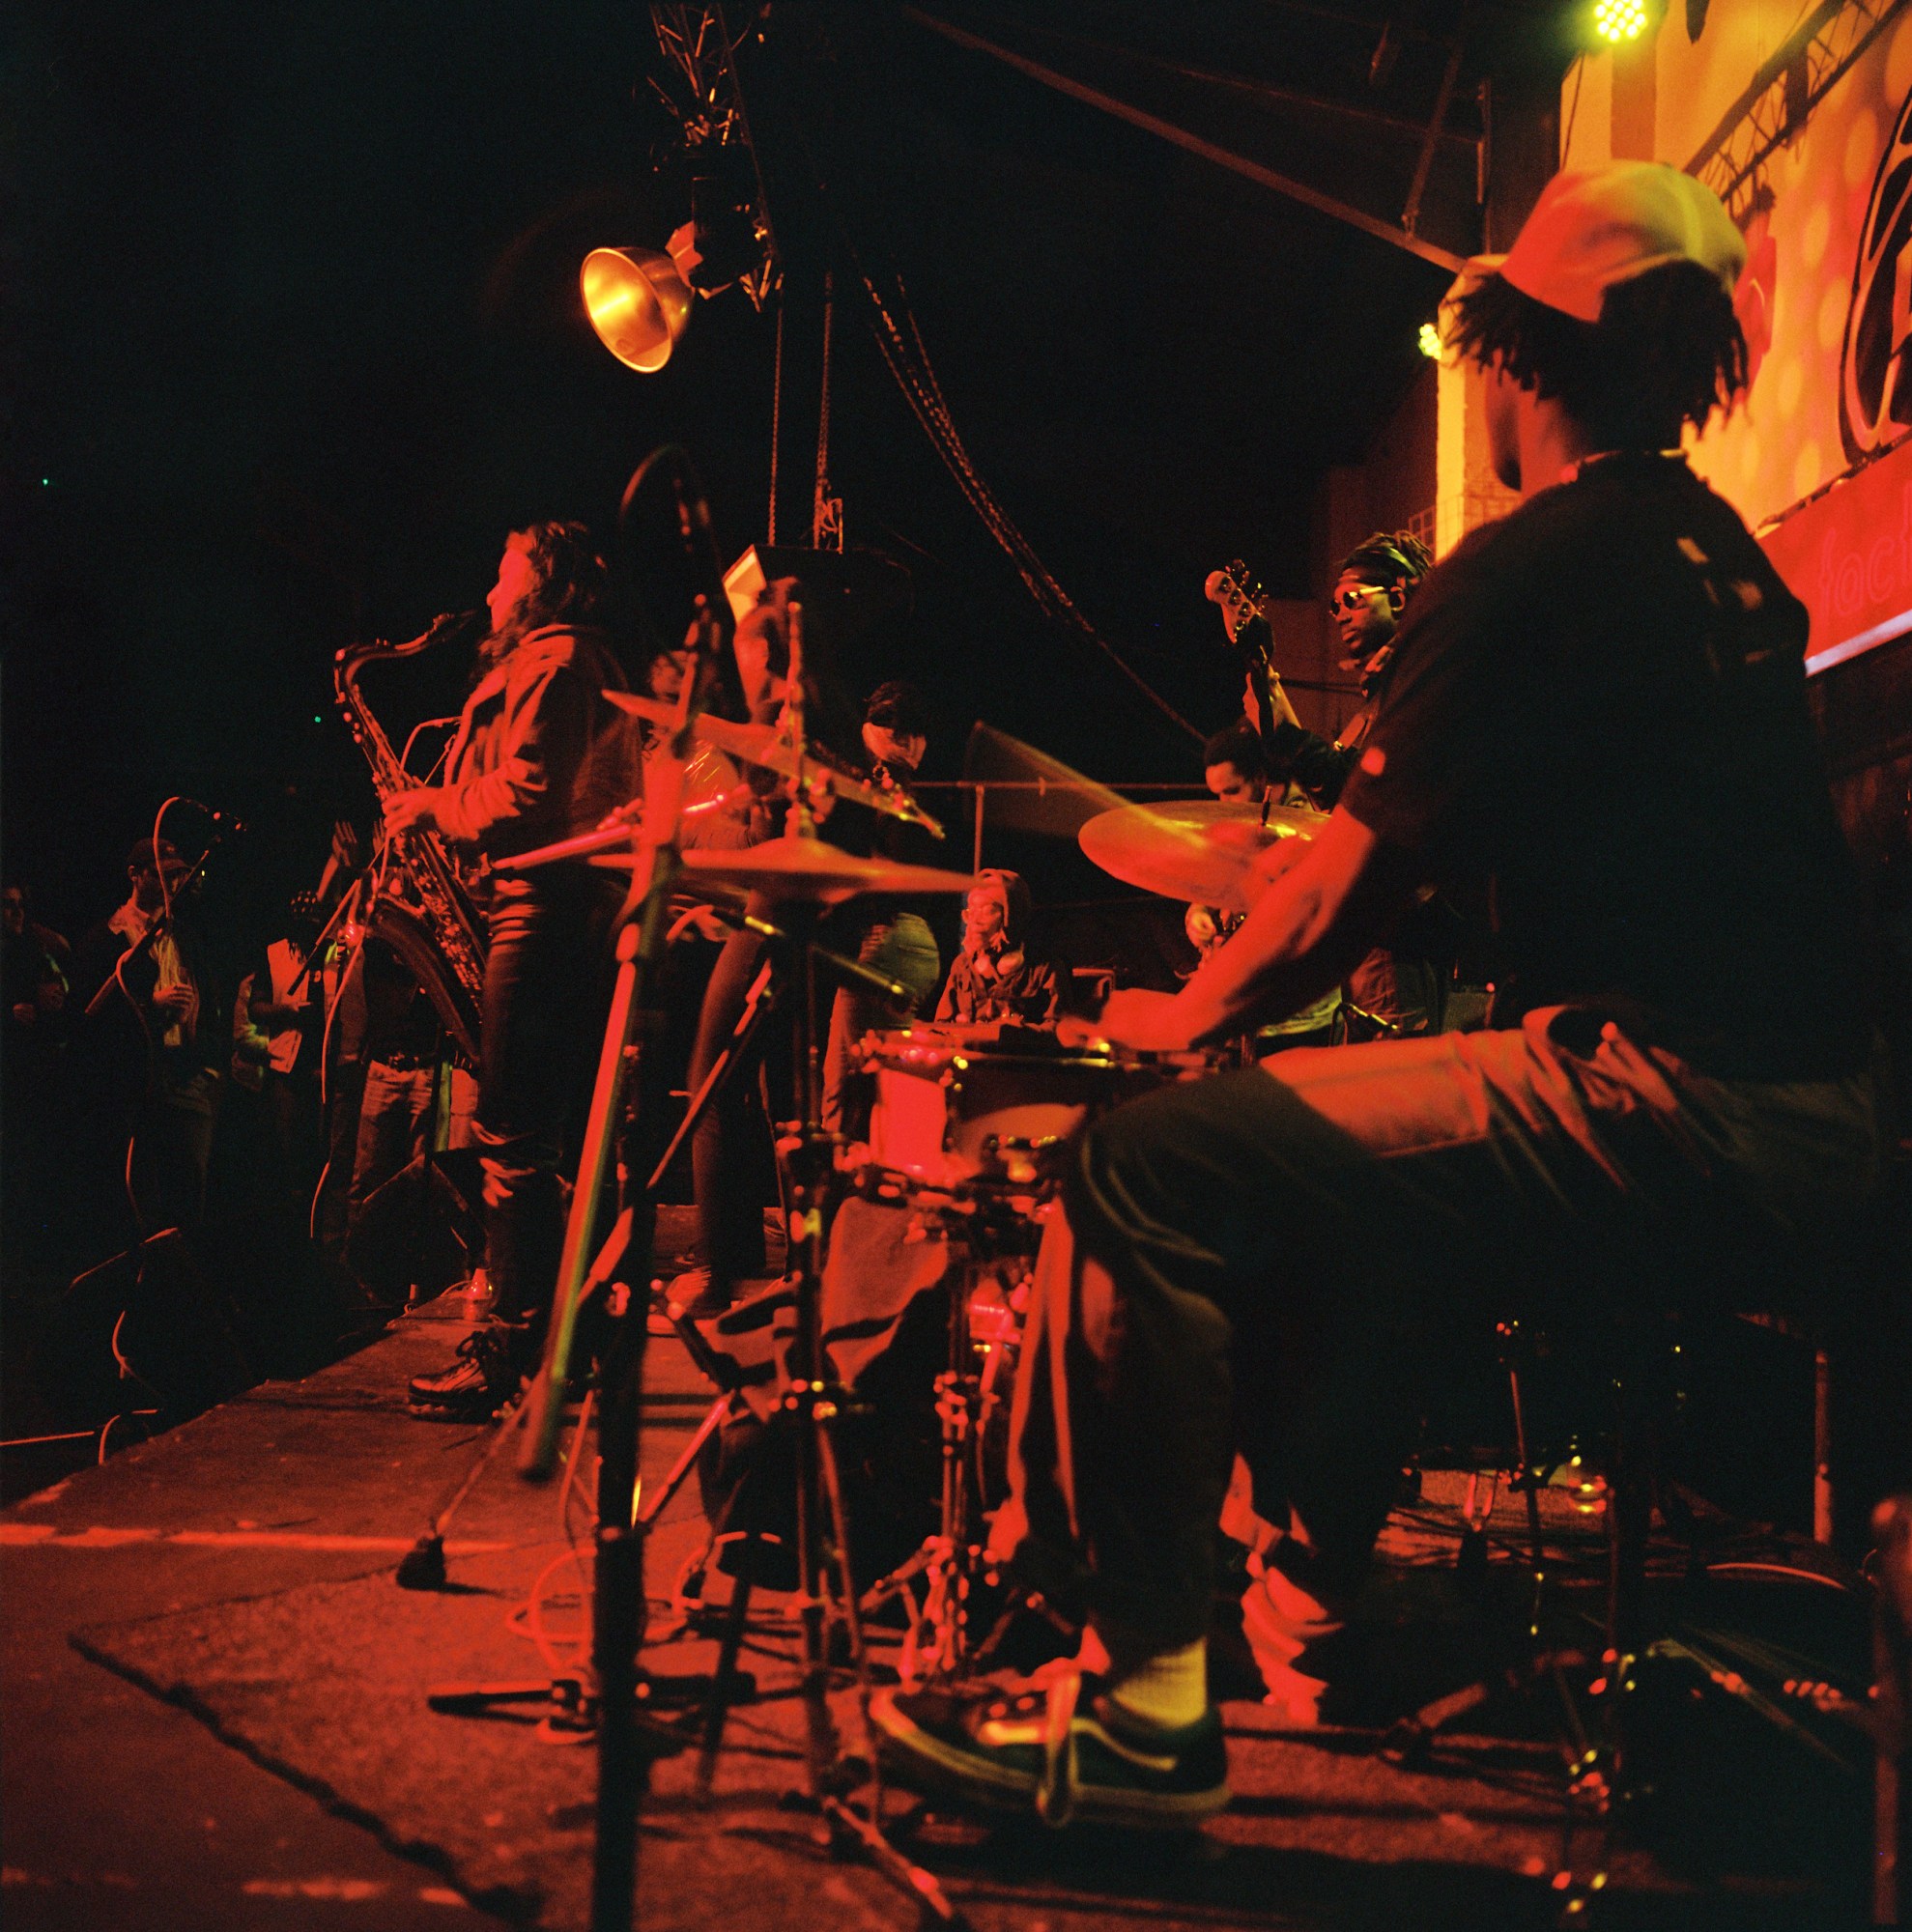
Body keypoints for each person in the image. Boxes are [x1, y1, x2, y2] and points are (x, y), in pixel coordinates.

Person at [872, 162, 1885, 1828]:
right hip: (1815, 1115)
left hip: (1675, 1099)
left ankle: (1134, 1709)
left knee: (1147, 1165)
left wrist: (1172, 1024)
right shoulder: (1719, 564)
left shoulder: (1526, 569)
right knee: (1331, 1180)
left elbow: (1341, 892)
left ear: (1518, 358)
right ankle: (1311, 1598)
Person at [387, 521, 641, 1418]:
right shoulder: (571, 660)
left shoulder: (553, 662)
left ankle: (505, 1348)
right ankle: (582, 1340)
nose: (490, 591)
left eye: (504, 573)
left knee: (512, 1139)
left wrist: (431, 804)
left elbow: (527, 793)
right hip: (560, 910)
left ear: (541, 584)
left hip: (538, 908)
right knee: (559, 1144)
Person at [76, 838, 224, 1235]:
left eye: (177, 873)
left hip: (187, 1077)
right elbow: (92, 1020)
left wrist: (209, 1064)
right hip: (138, 1085)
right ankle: (148, 1282)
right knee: (140, 1199)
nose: (172, 881)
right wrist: (151, 1005)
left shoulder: (186, 936)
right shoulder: (106, 940)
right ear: (135, 875)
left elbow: (211, 1003)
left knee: (190, 1196)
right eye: (162, 872)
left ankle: (186, 1284)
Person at [821, 680, 944, 1142]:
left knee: (846, 1087)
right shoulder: (907, 791)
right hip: (915, 938)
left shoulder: (889, 789)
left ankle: (840, 1200)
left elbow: (884, 869)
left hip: (885, 937)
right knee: (878, 1082)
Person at [1185, 724, 1341, 1050]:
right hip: (1246, 1006)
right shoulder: (1237, 823)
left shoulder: (1307, 818)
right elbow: (1214, 889)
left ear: (1259, 779)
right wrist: (1199, 913)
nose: (1223, 803)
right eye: (1217, 794)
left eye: (1231, 791)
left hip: (1298, 1009)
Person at [934, 869, 1063, 1029]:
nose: (974, 921)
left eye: (986, 911)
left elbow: (1061, 1030)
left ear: (1011, 916)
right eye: (971, 911)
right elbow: (941, 1025)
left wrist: (1015, 1034)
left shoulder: (1044, 970)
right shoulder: (962, 967)